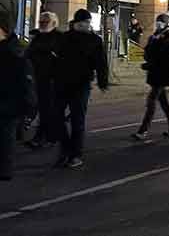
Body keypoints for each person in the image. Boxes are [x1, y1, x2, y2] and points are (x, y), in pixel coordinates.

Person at [54, 9, 109, 168]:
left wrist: (102, 81)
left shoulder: (95, 40)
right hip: (62, 82)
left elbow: (101, 62)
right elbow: (55, 58)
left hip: (81, 84)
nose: (86, 25)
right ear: (77, 23)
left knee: (78, 119)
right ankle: (66, 147)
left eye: (87, 22)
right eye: (84, 22)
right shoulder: (64, 38)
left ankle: (75, 154)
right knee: (56, 116)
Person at [132, 14, 169, 141]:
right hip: (154, 73)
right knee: (163, 102)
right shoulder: (155, 37)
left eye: (161, 23)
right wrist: (148, 62)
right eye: (157, 23)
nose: (158, 25)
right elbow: (149, 53)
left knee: (151, 100)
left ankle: (143, 130)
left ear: (166, 24)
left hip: (163, 74)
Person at [0, 12, 36, 180]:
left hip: (8, 104)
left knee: (6, 139)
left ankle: (4, 170)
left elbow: (25, 83)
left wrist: (27, 109)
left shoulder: (15, 52)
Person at [25, 12, 64, 149]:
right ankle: (47, 137)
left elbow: (60, 57)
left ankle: (45, 137)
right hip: (37, 78)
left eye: (45, 22)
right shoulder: (38, 37)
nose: (42, 24)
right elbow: (28, 53)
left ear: (53, 23)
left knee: (48, 110)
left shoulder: (59, 38)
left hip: (52, 79)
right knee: (43, 109)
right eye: (41, 22)